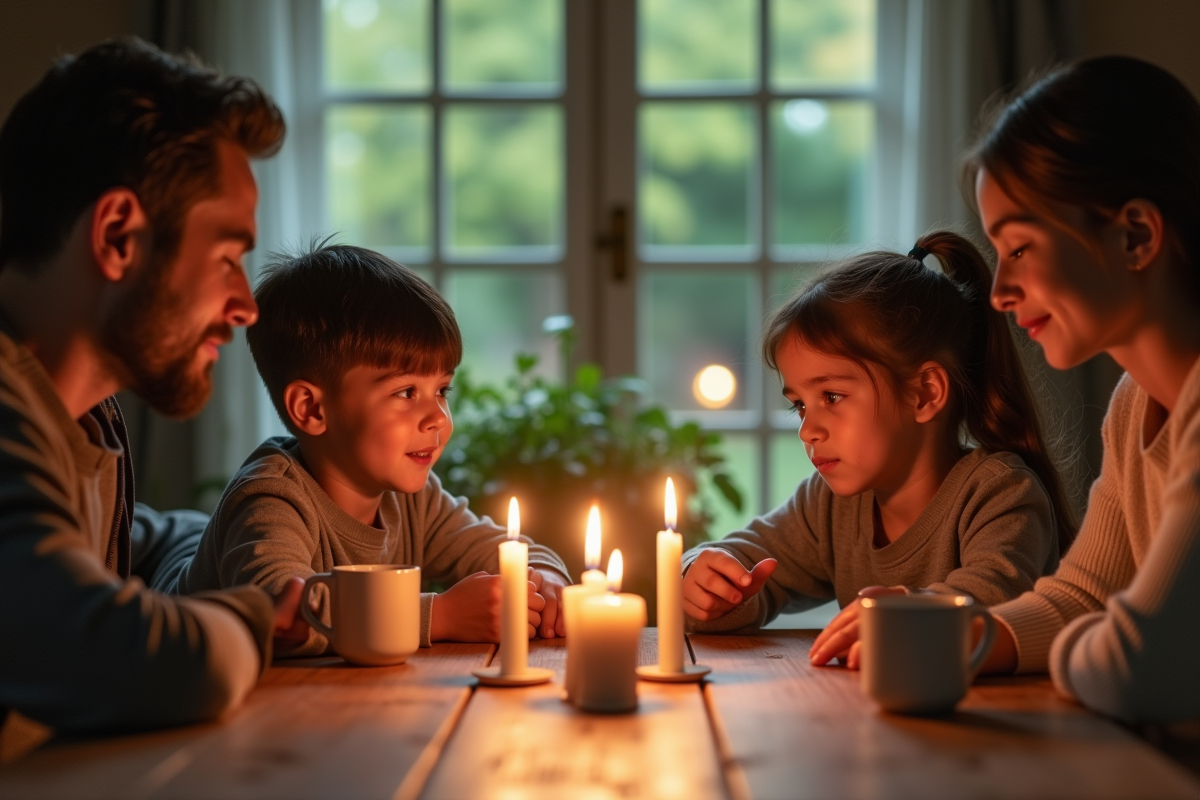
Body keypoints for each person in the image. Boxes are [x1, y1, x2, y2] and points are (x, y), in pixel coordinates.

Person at [0, 37, 308, 753]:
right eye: (227, 257)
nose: (246, 304)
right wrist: (250, 619)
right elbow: (124, 662)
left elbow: (134, 537)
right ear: (117, 236)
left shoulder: (80, 419)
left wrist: (222, 554)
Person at [681, 230, 1075, 669]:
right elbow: (749, 564)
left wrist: (902, 616)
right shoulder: (829, 505)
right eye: (799, 405)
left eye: (831, 396)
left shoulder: (1001, 494)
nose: (807, 429)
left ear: (924, 393)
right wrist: (706, 580)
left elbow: (991, 597)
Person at [167, 242, 573, 655]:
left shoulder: (414, 501)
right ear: (311, 408)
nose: (437, 417)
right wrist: (443, 615)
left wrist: (546, 579)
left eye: (442, 390)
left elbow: (503, 548)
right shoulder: (270, 500)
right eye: (406, 392)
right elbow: (285, 614)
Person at [968, 56, 1200, 723]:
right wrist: (964, 633)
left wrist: (1082, 648)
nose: (999, 292)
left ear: (1135, 235)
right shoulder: (1135, 403)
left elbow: (1138, 669)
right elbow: (1085, 593)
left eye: (1019, 248)